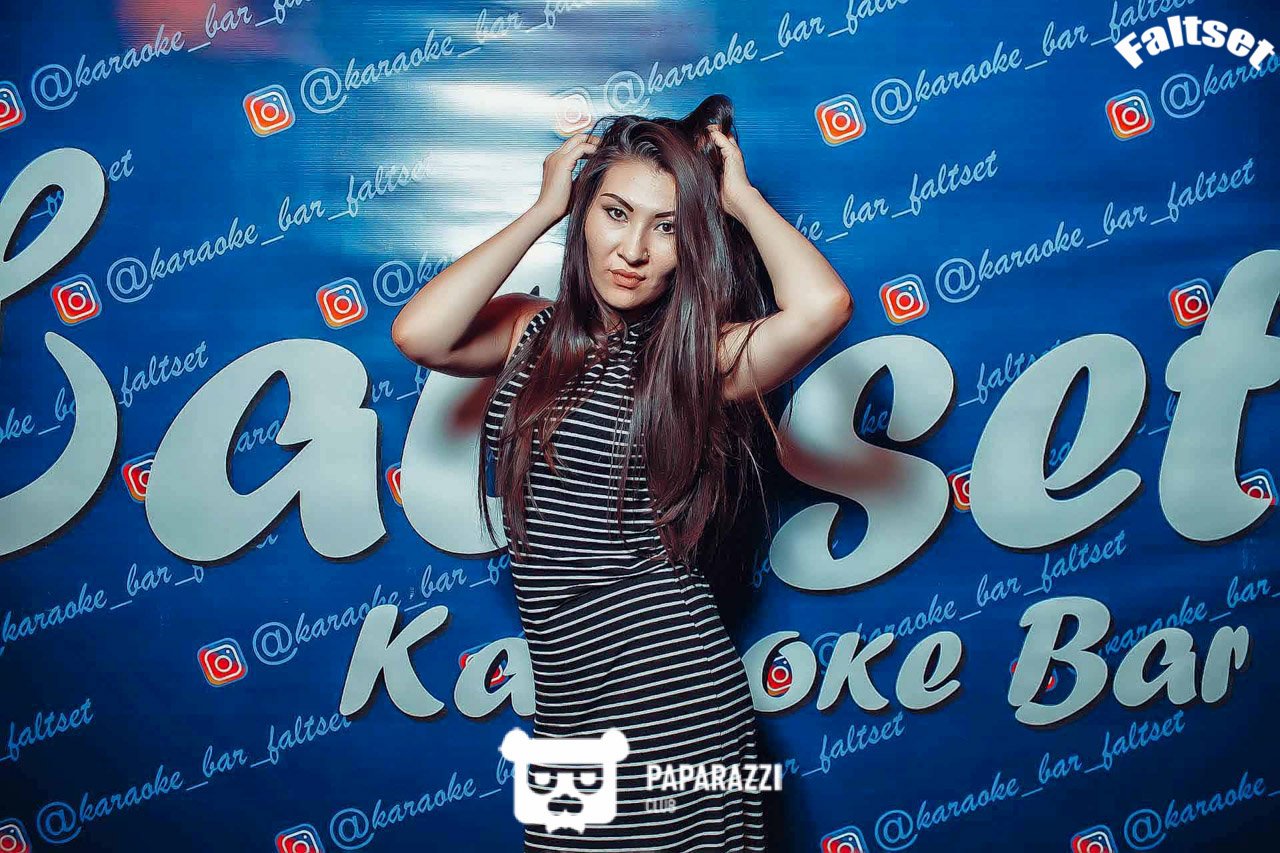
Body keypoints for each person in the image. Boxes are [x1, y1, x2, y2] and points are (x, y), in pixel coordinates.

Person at [391, 93, 853, 851]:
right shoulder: (529, 329)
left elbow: (823, 306)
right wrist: (545, 208)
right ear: (585, 214)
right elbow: (419, 333)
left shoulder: (697, 358)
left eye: (667, 227)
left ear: (693, 243)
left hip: (670, 693)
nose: (633, 249)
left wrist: (740, 199)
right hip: (567, 696)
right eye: (615, 213)